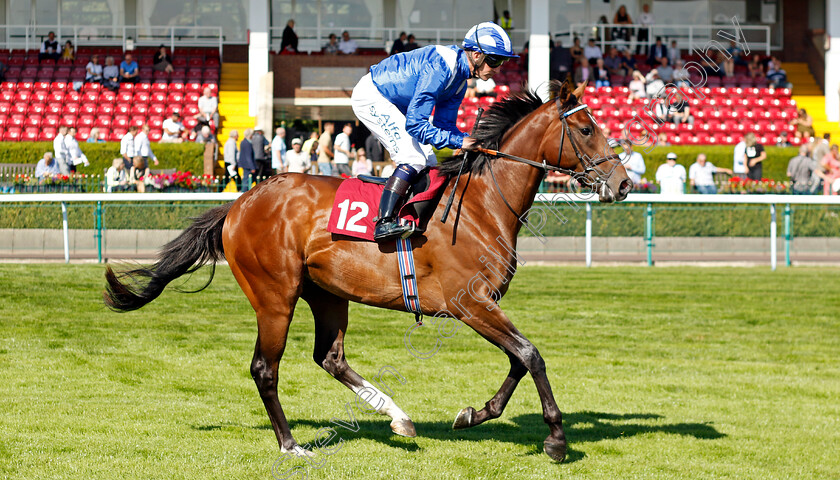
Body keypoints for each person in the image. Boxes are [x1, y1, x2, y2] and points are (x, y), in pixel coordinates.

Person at [350, 22, 517, 242]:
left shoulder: (459, 81)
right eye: (495, 60)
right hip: (373, 94)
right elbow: (416, 125)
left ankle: (410, 217)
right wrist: (459, 142)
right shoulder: (442, 66)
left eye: (502, 61)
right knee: (412, 157)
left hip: (395, 101)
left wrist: (468, 140)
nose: (498, 68)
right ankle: (384, 222)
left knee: (428, 159)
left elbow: (443, 126)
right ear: (476, 55)